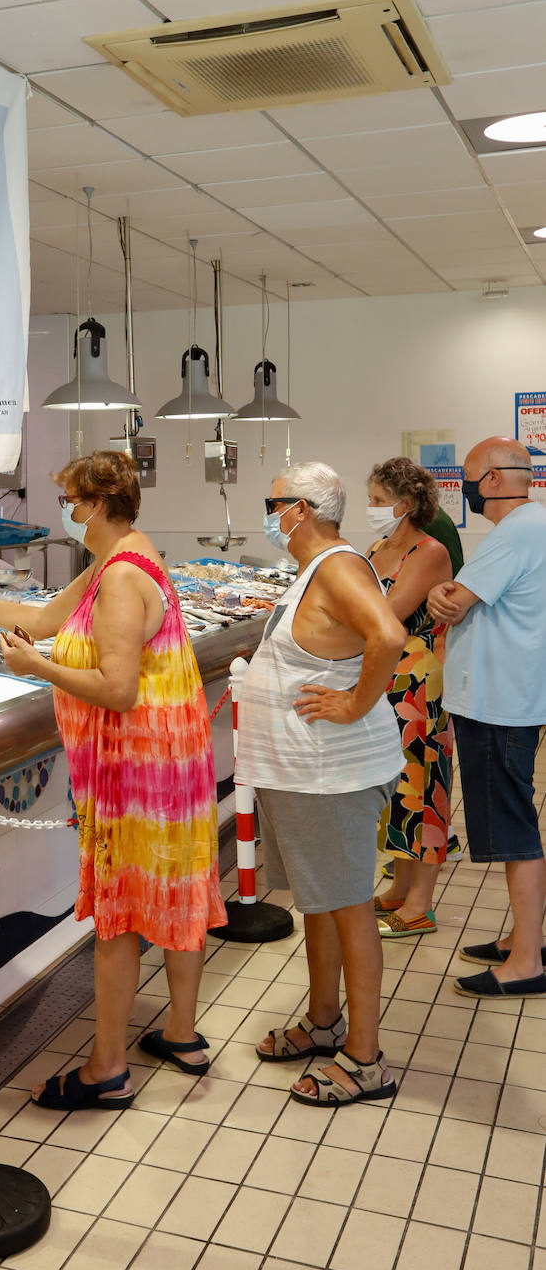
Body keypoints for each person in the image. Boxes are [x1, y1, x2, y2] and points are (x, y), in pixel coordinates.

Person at [0, 450, 227, 1109]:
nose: (66, 511)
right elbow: (47, 617)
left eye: (71, 500)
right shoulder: (127, 556)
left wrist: (39, 669)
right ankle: (181, 1034)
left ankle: (107, 1069)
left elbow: (114, 689)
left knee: (119, 918)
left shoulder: (117, 580)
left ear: (97, 505)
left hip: (134, 767)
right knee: (174, 894)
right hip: (171, 758)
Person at [235, 462, 405, 1107]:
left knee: (348, 906)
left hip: (330, 774)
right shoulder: (316, 568)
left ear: (299, 510)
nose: (269, 512)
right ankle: (325, 1019)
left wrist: (357, 703)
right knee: (323, 902)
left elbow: (387, 634)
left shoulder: (336, 565)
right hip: (302, 772)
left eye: (272, 502)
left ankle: (365, 1059)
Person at [428, 437, 546, 999]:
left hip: (497, 703)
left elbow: (455, 600)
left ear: (494, 479)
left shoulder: (516, 531)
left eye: (469, 479)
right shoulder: (533, 526)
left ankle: (524, 962)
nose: (466, 490)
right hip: (512, 696)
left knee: (512, 829)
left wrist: (441, 594)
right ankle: (525, 938)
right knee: (514, 821)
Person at [366, 459, 456, 937]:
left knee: (422, 791)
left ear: (404, 504)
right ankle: (399, 887)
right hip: (381, 681)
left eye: (378, 501)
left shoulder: (429, 552)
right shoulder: (379, 547)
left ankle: (420, 903)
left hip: (417, 686)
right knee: (395, 789)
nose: (372, 509)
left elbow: (386, 613)